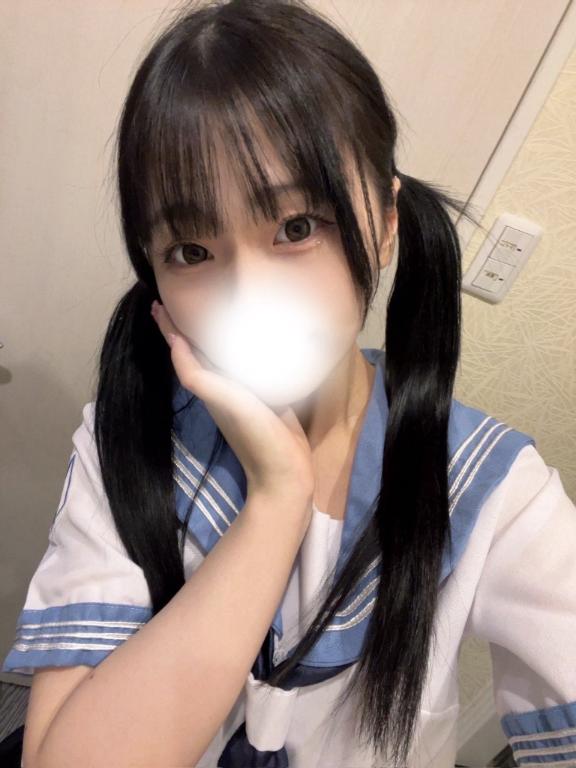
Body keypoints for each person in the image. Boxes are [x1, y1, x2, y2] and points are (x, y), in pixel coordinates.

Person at [3, 1, 576, 766]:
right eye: (192, 251)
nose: (249, 296)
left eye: (297, 226)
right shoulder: (128, 442)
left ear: (385, 220)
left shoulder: (493, 491)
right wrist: (277, 499)